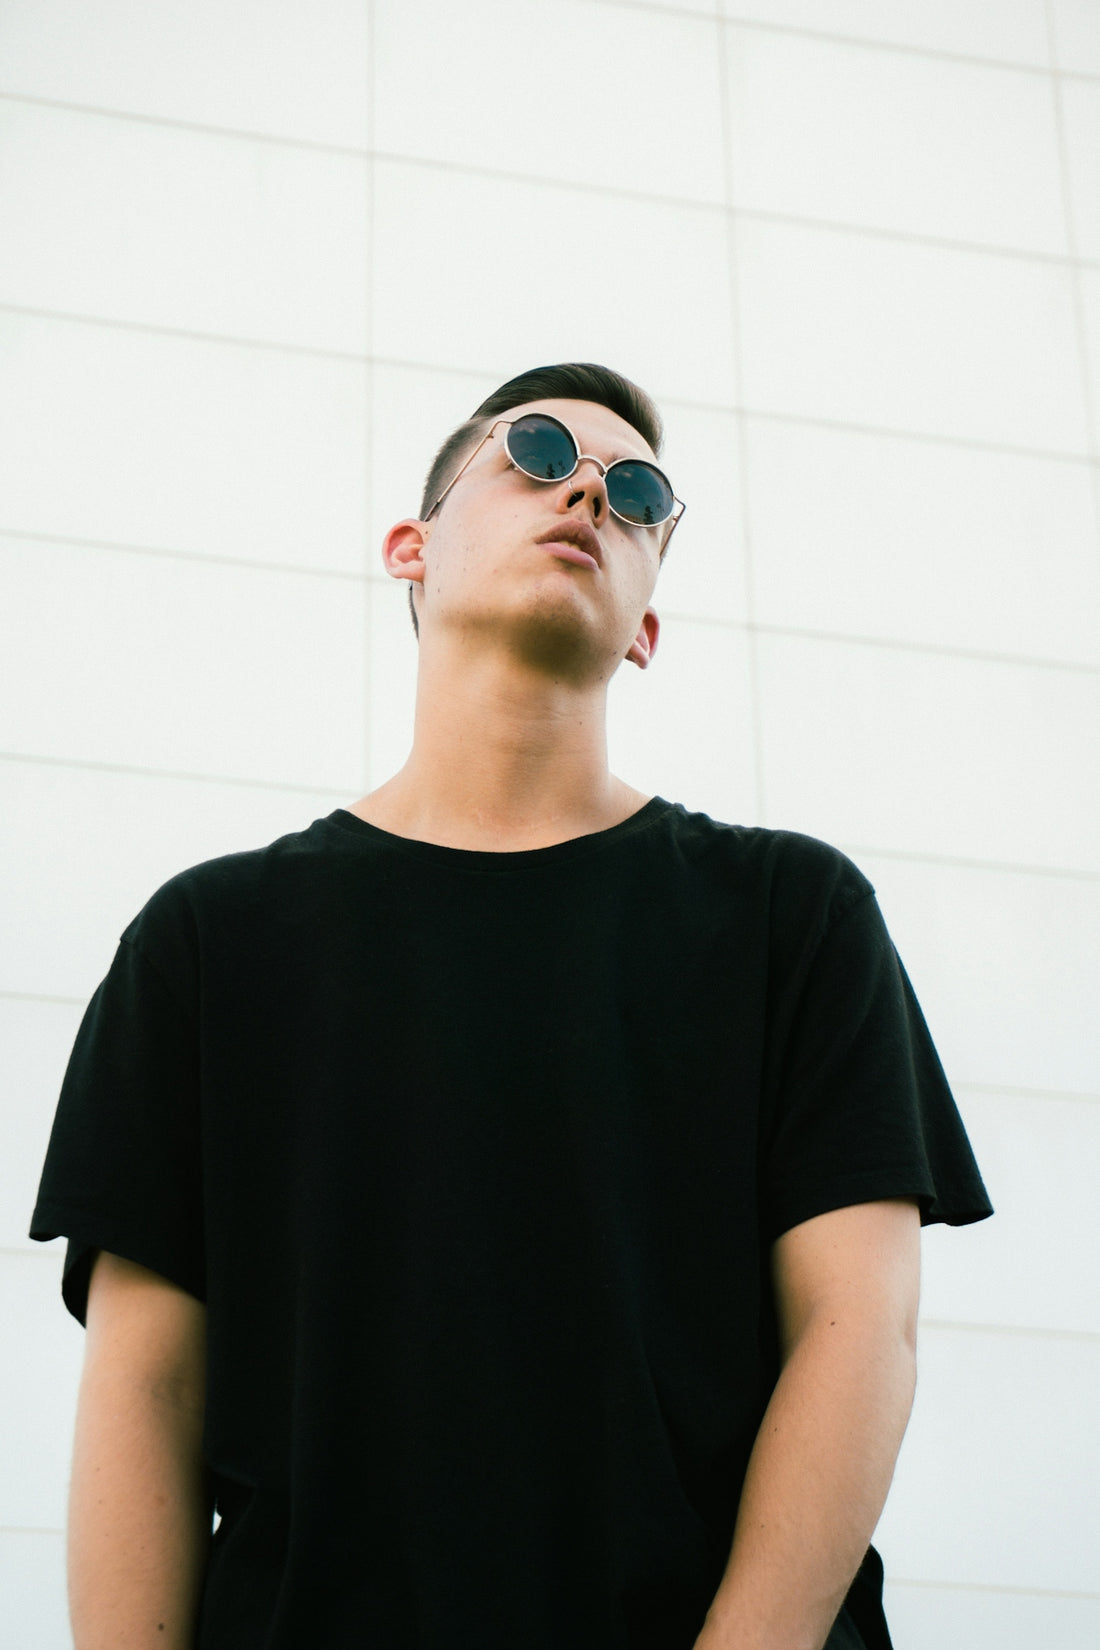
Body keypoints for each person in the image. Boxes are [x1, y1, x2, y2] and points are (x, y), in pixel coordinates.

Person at [30, 361, 992, 1650]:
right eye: (536, 454)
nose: (589, 488)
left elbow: (860, 1327)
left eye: (638, 492)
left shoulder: (790, 916)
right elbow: (147, 1389)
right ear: (410, 549)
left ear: (648, 625)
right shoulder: (207, 944)